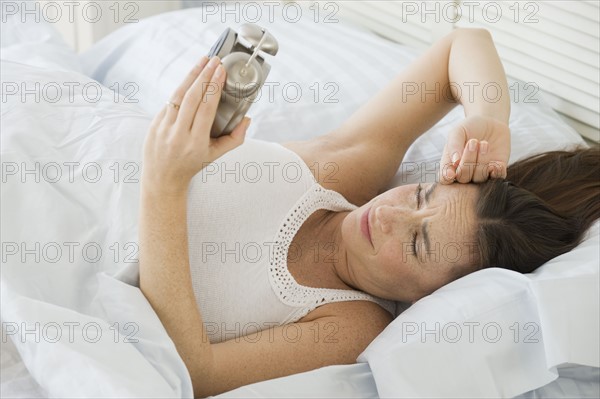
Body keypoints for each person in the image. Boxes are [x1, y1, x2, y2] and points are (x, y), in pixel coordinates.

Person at [137, 27, 600, 397]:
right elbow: (464, 42)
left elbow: (193, 372)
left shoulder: (350, 326)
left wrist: (165, 180)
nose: (388, 217)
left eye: (418, 244)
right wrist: (489, 119)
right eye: (420, 196)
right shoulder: (347, 173)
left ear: (428, 298)